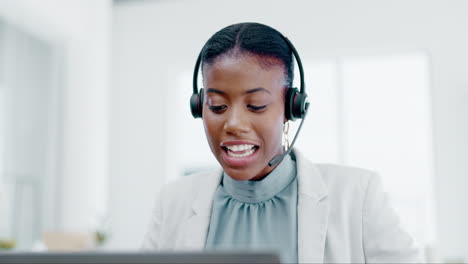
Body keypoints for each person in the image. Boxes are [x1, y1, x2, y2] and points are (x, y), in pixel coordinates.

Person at [142, 22, 422, 263]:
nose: (234, 124)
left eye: (256, 105)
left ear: (292, 108)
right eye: (217, 106)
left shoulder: (358, 196)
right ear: (199, 106)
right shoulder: (173, 202)